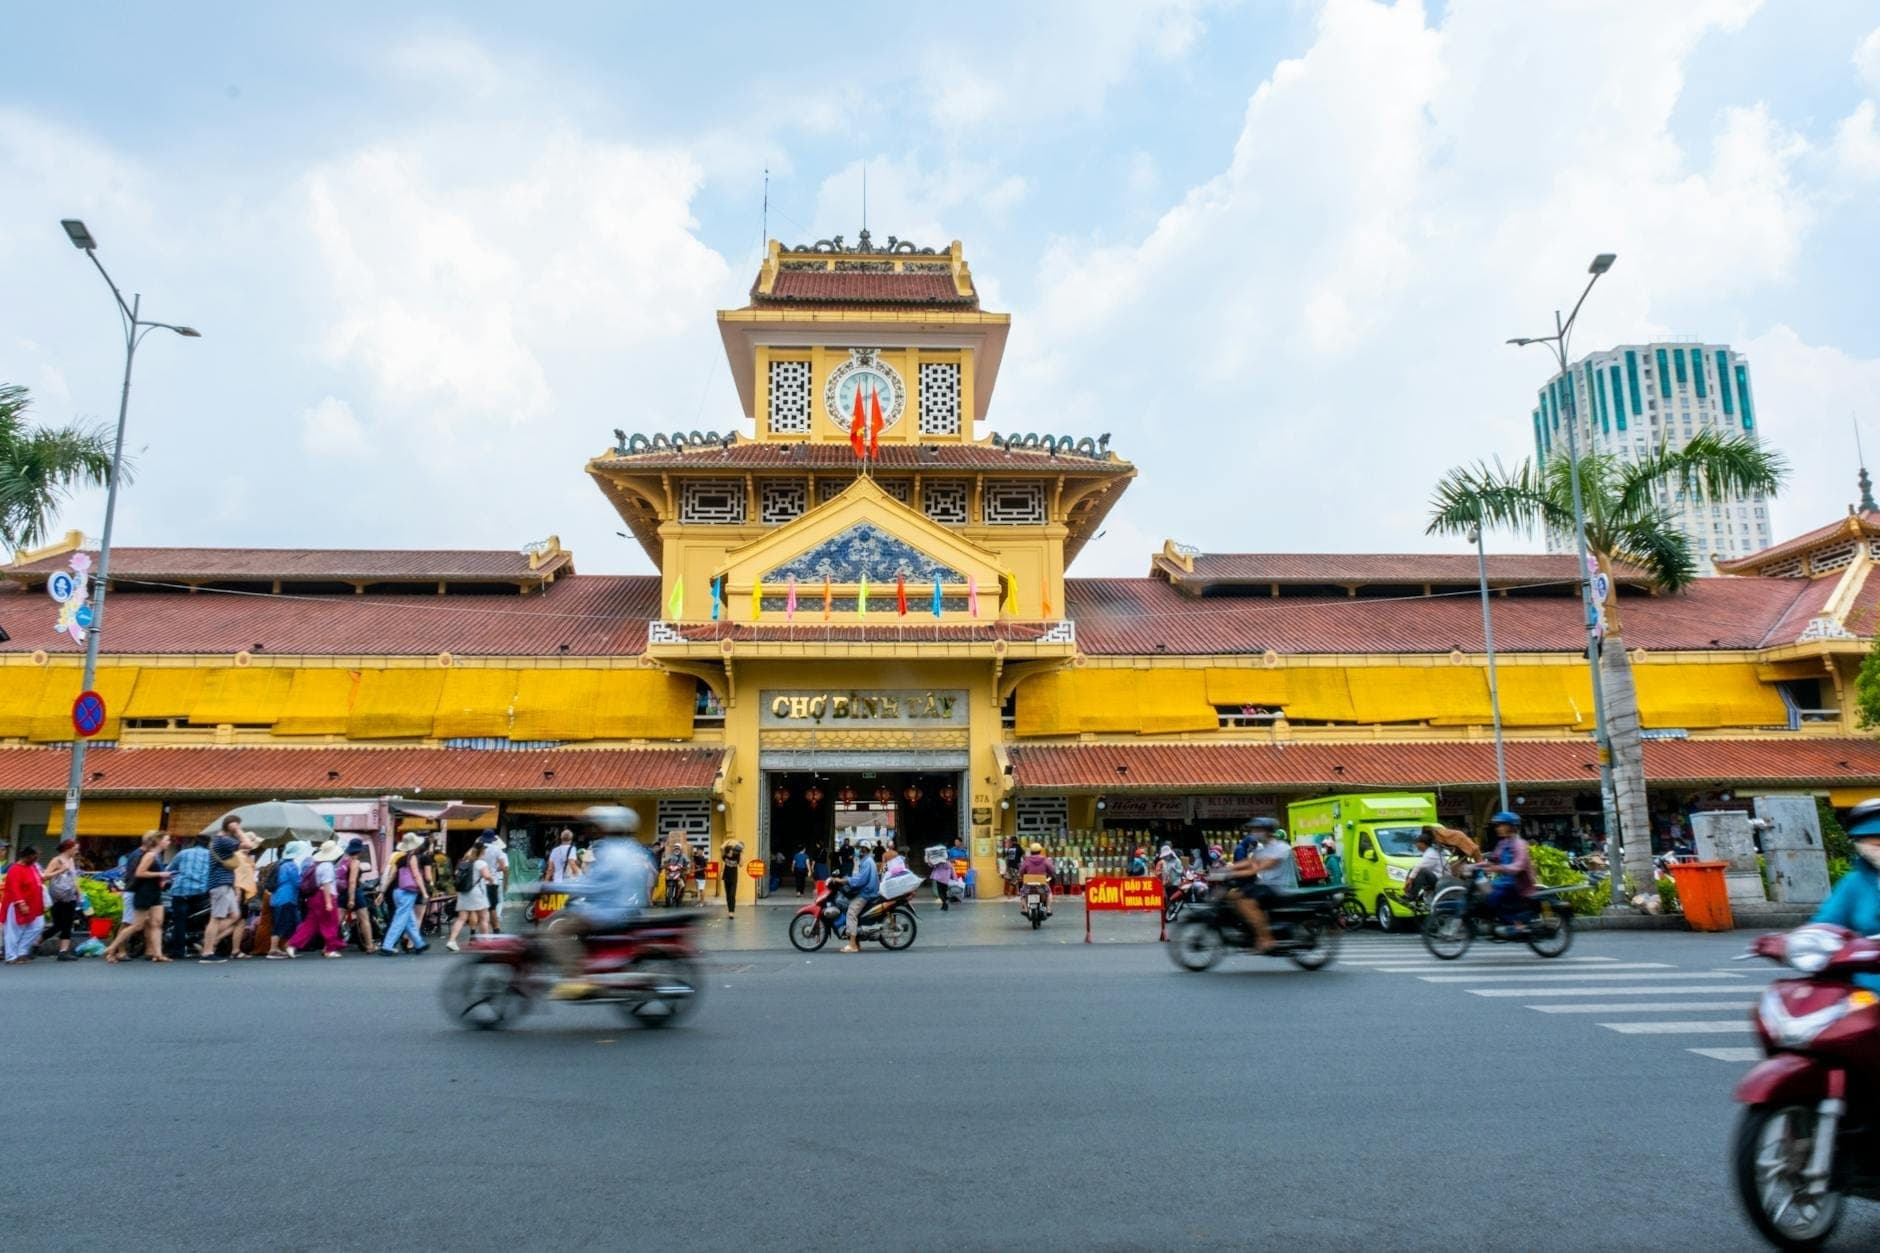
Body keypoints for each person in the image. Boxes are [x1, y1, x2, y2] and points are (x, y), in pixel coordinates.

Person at [544, 807, 655, 998]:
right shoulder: (633, 850)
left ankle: (575, 978)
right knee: (566, 918)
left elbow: (593, 884)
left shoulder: (609, 852)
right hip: (625, 907)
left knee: (557, 930)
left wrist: (554, 887)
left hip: (607, 911)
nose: (593, 830)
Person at [1221, 817, 1288, 953]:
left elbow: (1257, 868)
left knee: (1246, 902)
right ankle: (1247, 930)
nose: (1254, 832)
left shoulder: (1280, 848)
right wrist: (1227, 868)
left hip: (1275, 887)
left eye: (1258, 830)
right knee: (1231, 896)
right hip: (1262, 885)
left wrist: (1234, 874)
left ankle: (1266, 938)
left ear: (1268, 831)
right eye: (1253, 830)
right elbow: (1249, 862)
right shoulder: (1262, 848)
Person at [116, 832, 174, 964]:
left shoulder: (153, 854)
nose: (169, 842)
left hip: (145, 892)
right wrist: (160, 875)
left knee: (152, 923)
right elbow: (138, 874)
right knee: (130, 922)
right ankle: (119, 950)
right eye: (166, 840)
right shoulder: (141, 854)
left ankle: (152, 951)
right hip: (134, 891)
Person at [198, 817, 248, 964]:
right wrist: (238, 831)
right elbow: (247, 844)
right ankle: (207, 952)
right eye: (237, 824)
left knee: (235, 915)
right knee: (216, 918)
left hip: (225, 883)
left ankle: (208, 940)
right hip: (220, 884)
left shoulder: (219, 840)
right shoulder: (223, 840)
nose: (238, 827)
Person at [286, 839, 347, 958]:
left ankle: (292, 944)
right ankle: (330, 949)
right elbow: (326, 884)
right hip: (326, 896)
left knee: (309, 924)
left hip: (315, 897)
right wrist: (328, 902)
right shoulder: (328, 866)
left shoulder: (318, 865)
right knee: (330, 923)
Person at [1476, 811, 1536, 930]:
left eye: (1501, 825)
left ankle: (1516, 923)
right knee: (1483, 891)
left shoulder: (1519, 844)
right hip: (1506, 882)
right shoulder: (1503, 844)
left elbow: (1519, 865)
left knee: (1493, 897)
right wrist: (1474, 866)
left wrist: (1499, 868)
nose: (1498, 828)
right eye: (1497, 825)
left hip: (1518, 884)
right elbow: (1493, 860)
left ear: (1510, 827)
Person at [378, 833, 431, 956]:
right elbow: (416, 875)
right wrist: (424, 892)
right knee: (400, 919)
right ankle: (387, 945)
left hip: (396, 892)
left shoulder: (400, 859)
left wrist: (382, 892)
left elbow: (391, 876)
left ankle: (419, 944)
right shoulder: (412, 858)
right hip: (407, 892)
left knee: (409, 919)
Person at [163, 833, 212, 959]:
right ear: (208, 844)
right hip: (201, 893)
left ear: (194, 842)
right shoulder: (211, 856)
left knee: (179, 921)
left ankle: (178, 951)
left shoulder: (183, 853)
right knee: (199, 920)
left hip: (180, 891)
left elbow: (169, 869)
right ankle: (195, 942)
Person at [446, 837, 495, 952]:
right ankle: (486, 942)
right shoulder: (481, 863)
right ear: (482, 851)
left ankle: (451, 941)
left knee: (461, 918)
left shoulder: (465, 862)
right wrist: (491, 880)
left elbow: (457, 874)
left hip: (463, 893)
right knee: (483, 917)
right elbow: (487, 876)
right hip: (477, 893)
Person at [2, 845, 46, 964]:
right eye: (35, 855)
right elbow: (14, 888)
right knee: (13, 931)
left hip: (34, 904)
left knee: (38, 926)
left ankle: (21, 951)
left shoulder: (33, 867)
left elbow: (40, 881)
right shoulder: (15, 869)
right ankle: (11, 956)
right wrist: (21, 903)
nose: (37, 858)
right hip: (16, 904)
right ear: (28, 856)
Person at [267, 840, 310, 959]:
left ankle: (285, 948)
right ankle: (273, 949)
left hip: (276, 898)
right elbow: (298, 883)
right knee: (283, 924)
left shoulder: (280, 863)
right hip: (287, 898)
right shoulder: (291, 865)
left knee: (283, 923)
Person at [835, 840, 880, 954]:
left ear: (865, 849)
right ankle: (856, 943)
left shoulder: (867, 862)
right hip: (867, 891)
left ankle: (852, 945)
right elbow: (859, 877)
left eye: (860, 849)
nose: (859, 851)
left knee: (851, 912)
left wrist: (843, 880)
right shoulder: (866, 861)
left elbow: (860, 880)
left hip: (867, 893)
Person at [43, 839, 83, 961]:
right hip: (57, 897)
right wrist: (61, 870)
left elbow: (73, 878)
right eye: (75, 849)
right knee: (58, 925)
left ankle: (63, 951)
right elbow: (45, 875)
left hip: (70, 896)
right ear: (68, 848)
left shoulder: (71, 860)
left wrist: (79, 892)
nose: (77, 851)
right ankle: (37, 941)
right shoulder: (56, 860)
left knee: (67, 924)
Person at [335, 838, 376, 953]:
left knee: (337, 920)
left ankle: (328, 946)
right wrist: (352, 898)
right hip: (355, 892)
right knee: (364, 919)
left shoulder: (343, 859)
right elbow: (352, 881)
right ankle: (369, 945)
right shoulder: (355, 862)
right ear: (359, 850)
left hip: (342, 892)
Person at [1404, 830, 1448, 904]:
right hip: (1436, 876)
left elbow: (1419, 867)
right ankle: (1408, 893)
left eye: (1417, 843)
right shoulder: (1429, 852)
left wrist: (1410, 880)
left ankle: (1412, 896)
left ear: (1422, 844)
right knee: (1413, 869)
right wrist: (1409, 880)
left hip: (1442, 879)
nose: (1416, 845)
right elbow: (1416, 868)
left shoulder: (1431, 854)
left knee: (1422, 871)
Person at [1017, 842, 1055, 916]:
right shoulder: (1045, 860)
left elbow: (1021, 871)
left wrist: (1021, 875)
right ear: (1040, 851)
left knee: (1023, 894)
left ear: (1031, 852)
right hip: (1041, 884)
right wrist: (1051, 875)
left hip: (1029, 884)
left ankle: (1025, 908)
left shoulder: (1026, 860)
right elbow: (1051, 869)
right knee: (1048, 893)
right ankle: (1048, 909)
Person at [483, 835, 508, 933]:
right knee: (493, 907)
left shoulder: (478, 849)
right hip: (493, 881)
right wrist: (494, 869)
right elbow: (503, 867)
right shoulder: (497, 850)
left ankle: (479, 932)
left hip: (480, 881)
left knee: (482, 908)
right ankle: (496, 928)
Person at [721, 837, 745, 915]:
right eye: (730, 851)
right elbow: (721, 847)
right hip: (726, 877)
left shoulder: (736, 857)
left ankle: (732, 912)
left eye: (732, 851)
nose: (731, 853)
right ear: (727, 852)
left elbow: (741, 864)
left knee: (732, 894)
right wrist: (729, 841)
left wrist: (741, 853)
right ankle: (729, 911)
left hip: (734, 878)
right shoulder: (725, 857)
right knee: (728, 895)